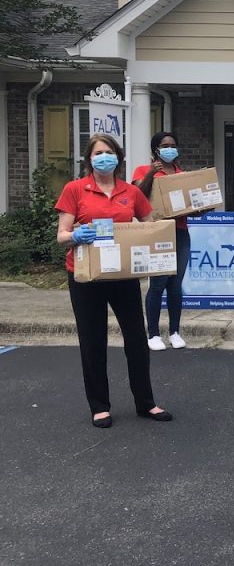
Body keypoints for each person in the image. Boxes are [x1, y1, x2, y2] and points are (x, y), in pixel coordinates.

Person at [54, 134, 173, 428]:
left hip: (121, 275)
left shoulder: (129, 192)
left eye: (109, 152)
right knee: (93, 341)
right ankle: (99, 406)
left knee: (136, 338)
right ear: (89, 159)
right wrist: (75, 236)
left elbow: (150, 225)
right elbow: (61, 235)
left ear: (118, 158)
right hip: (85, 275)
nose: (103, 157)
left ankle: (146, 403)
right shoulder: (75, 190)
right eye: (98, 153)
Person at [132, 131, 191, 351]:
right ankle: (153, 333)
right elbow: (136, 195)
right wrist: (150, 174)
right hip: (158, 232)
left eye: (173, 145)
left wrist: (201, 206)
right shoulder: (143, 171)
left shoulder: (180, 173)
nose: (170, 149)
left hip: (181, 231)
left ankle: (175, 331)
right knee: (158, 284)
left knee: (176, 285)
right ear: (156, 149)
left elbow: (189, 204)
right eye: (165, 145)